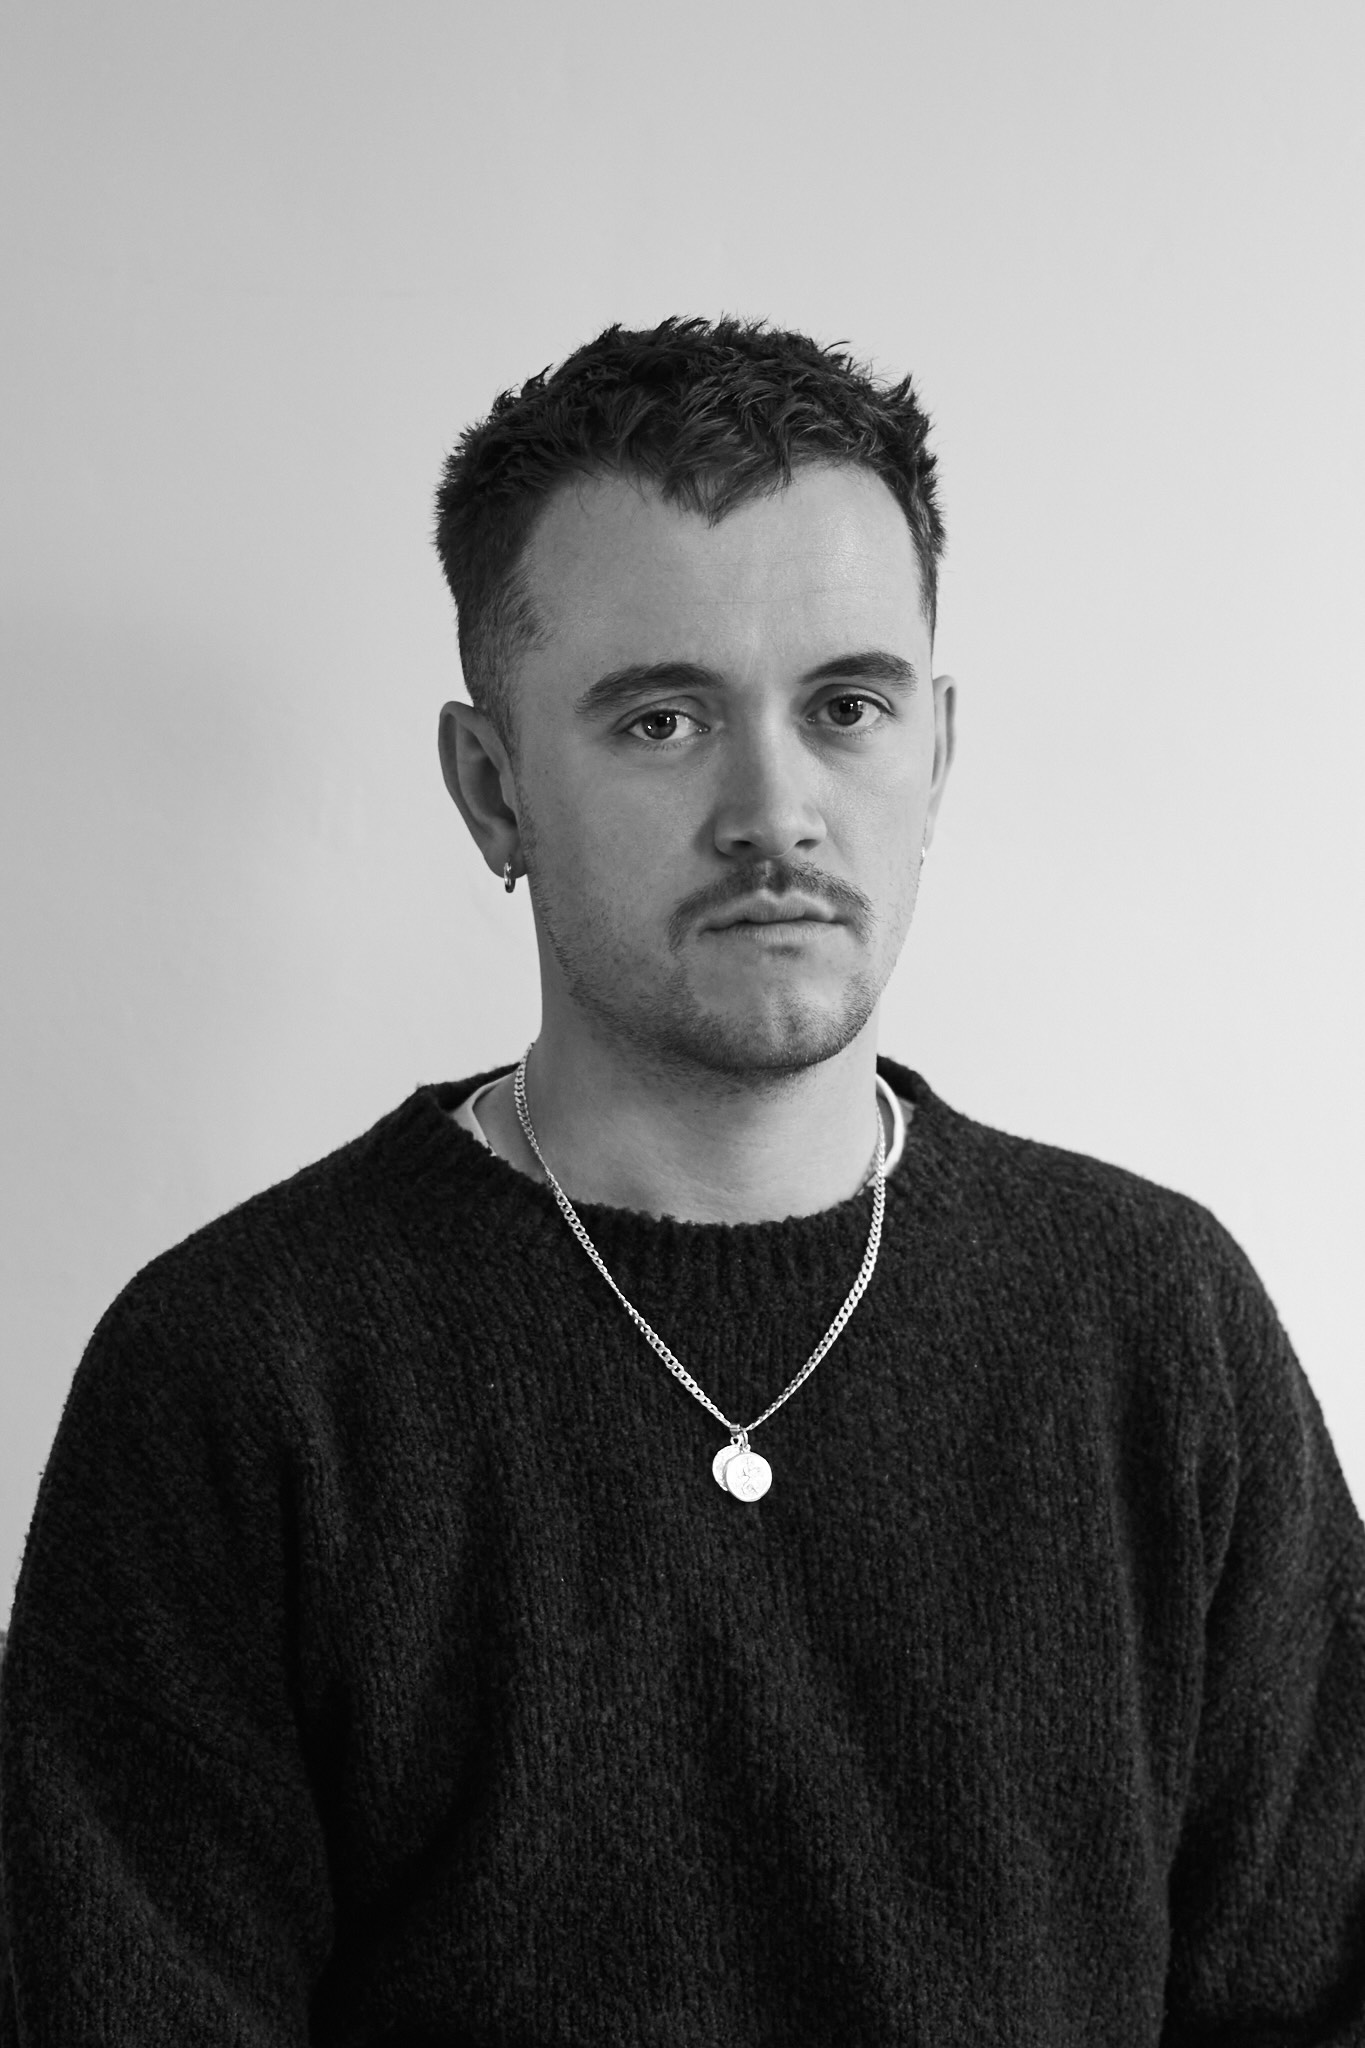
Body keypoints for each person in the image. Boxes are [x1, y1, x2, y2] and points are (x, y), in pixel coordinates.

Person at [1, 316, 1362, 2044]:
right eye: (660, 720)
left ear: (936, 752)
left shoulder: (1154, 1321)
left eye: (847, 707)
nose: (773, 810)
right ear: (493, 789)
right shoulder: (243, 1372)